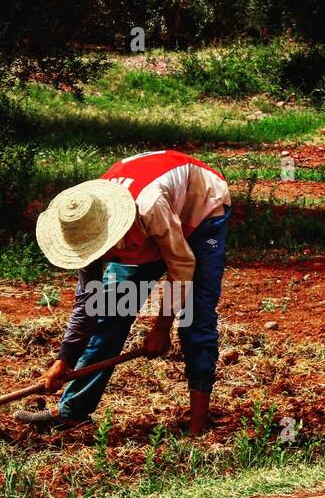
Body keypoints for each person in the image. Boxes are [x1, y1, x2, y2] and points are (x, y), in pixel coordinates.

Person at [19, 149, 230, 435]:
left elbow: (181, 267)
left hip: (199, 207)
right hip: (149, 225)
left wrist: (161, 326)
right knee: (110, 313)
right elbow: (89, 302)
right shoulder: (83, 223)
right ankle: (73, 413)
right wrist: (63, 360)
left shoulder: (148, 206)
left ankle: (198, 426)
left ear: (108, 234)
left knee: (195, 316)